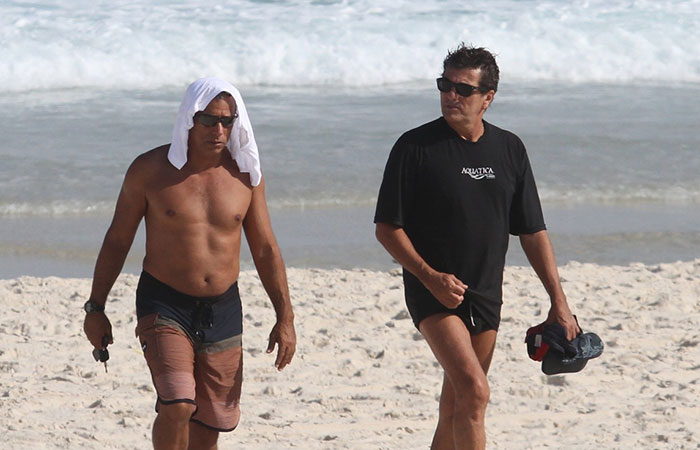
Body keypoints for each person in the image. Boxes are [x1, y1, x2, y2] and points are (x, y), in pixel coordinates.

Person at [373, 44, 579, 450]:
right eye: (445, 85)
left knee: (458, 403)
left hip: (485, 293)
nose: (451, 95)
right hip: (433, 293)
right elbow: (386, 228)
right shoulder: (414, 148)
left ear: (488, 98)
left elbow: (532, 231)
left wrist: (559, 300)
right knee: (476, 390)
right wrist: (429, 277)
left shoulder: (509, 149)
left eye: (463, 89)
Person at [83, 77, 296, 450]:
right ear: (189, 119)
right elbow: (118, 239)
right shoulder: (149, 171)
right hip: (164, 303)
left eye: (227, 122)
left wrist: (286, 317)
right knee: (178, 404)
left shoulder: (246, 176)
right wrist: (95, 307)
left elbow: (265, 249)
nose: (218, 130)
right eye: (209, 120)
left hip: (223, 307)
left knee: (212, 422)